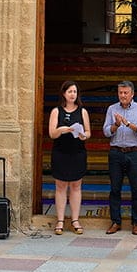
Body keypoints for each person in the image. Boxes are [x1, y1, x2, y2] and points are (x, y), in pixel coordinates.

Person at [103, 80, 137, 235]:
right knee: (115, 189)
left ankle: (136, 222)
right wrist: (116, 125)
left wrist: (129, 124)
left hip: (134, 152)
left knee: (136, 189)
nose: (122, 96)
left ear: (132, 94)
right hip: (116, 152)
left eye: (125, 93)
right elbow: (105, 131)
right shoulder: (112, 109)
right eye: (120, 93)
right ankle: (115, 221)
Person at [48, 80, 91, 235]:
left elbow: (88, 132)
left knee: (76, 186)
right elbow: (52, 133)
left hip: (77, 152)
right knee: (60, 186)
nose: (73, 94)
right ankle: (60, 220)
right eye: (70, 91)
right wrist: (62, 130)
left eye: (75, 92)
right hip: (60, 152)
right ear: (64, 94)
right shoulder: (56, 111)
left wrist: (82, 135)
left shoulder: (83, 111)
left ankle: (75, 220)